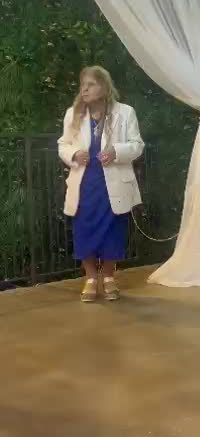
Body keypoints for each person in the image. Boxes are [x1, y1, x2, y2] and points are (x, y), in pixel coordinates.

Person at [58, 66, 144, 303]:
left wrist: (117, 151)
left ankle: (108, 277)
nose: (84, 89)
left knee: (113, 230)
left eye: (90, 85)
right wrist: (74, 154)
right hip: (85, 184)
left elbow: (137, 145)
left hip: (113, 184)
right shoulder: (73, 114)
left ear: (104, 87)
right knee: (84, 230)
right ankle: (90, 278)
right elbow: (63, 144)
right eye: (82, 85)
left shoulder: (125, 112)